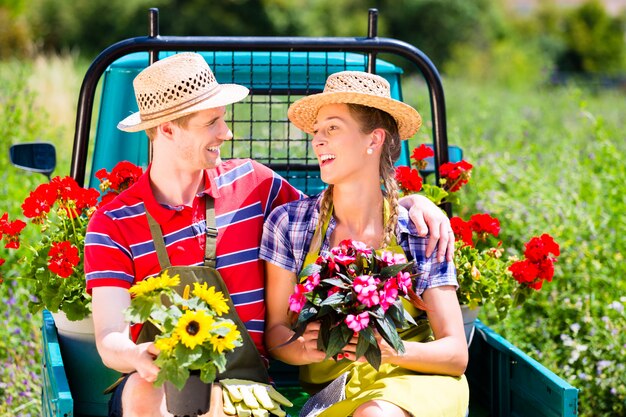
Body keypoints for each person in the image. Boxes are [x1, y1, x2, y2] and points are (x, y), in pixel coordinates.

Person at [84, 53, 454, 417]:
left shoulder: (254, 186)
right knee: (146, 391)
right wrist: (136, 355)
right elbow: (110, 338)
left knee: (212, 407)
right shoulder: (113, 222)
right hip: (159, 374)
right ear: (167, 130)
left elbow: (342, 207)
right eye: (212, 121)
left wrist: (410, 203)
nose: (226, 133)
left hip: (244, 383)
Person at [261, 71, 469, 417]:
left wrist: (391, 349)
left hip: (415, 382)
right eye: (317, 132)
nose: (317, 141)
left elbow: (455, 354)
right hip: (335, 390)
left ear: (373, 140)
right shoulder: (291, 224)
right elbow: (276, 333)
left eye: (333, 128)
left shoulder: (418, 230)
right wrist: (304, 349)